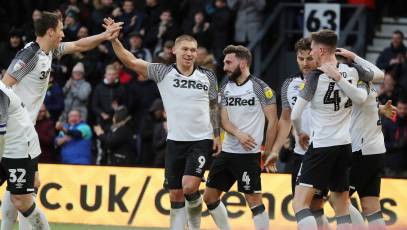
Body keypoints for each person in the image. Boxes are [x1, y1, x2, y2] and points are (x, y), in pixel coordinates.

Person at [0, 11, 122, 230]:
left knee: (24, 189)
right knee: (24, 194)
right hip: (14, 133)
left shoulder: (49, 51)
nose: (64, 34)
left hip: (25, 133)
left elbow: (79, 45)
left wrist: (105, 36)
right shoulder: (30, 56)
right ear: (50, 31)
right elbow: (5, 85)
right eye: (61, 29)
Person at [105, 17, 221, 230]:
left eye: (193, 50)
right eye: (185, 49)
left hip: (201, 140)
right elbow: (131, 61)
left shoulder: (208, 76)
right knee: (175, 194)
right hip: (175, 142)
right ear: (174, 51)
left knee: (189, 186)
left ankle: (194, 226)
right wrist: (115, 40)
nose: (189, 53)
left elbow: (214, 107)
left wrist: (216, 135)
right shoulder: (163, 72)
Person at [290, 29, 369, 229]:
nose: (312, 52)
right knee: (342, 206)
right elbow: (363, 94)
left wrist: (299, 133)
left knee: (300, 204)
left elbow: (295, 115)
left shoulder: (314, 77)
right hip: (344, 145)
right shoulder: (350, 71)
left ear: (322, 50)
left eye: (314, 49)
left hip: (322, 146)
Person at [203, 45, 277, 230]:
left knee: (253, 200)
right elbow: (223, 119)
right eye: (224, 62)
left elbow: (273, 121)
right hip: (227, 152)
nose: (225, 66)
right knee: (209, 197)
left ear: (243, 63)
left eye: (229, 62)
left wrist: (267, 153)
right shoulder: (226, 87)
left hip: (249, 155)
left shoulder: (260, 87)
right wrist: (238, 134)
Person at [264, 37, 331, 228]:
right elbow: (286, 119)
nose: (304, 63)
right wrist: (275, 150)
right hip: (300, 154)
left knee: (302, 205)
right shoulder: (289, 84)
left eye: (309, 58)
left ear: (318, 55)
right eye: (300, 59)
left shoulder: (329, 80)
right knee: (315, 208)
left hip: (324, 152)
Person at [336, 47, 390, 229]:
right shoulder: (367, 81)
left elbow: (359, 99)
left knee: (337, 199)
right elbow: (380, 75)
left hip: (362, 151)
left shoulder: (354, 84)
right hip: (375, 150)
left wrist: (350, 61)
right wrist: (355, 57)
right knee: (371, 207)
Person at [0, 80, 50, 229]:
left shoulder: (1, 94)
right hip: (9, 144)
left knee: (21, 201)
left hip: (18, 148)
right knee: (15, 198)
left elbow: (1, 134)